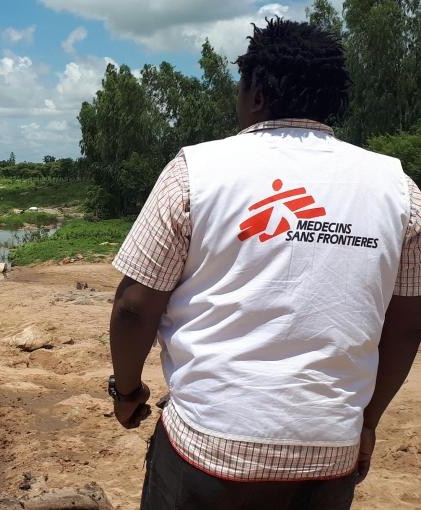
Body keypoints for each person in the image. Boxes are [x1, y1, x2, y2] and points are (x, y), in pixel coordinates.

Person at [108, 18, 421, 510]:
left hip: (209, 446)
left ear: (255, 93)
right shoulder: (398, 189)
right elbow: (406, 328)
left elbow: (133, 306)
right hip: (330, 451)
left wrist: (125, 392)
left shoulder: (195, 170)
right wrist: (366, 423)